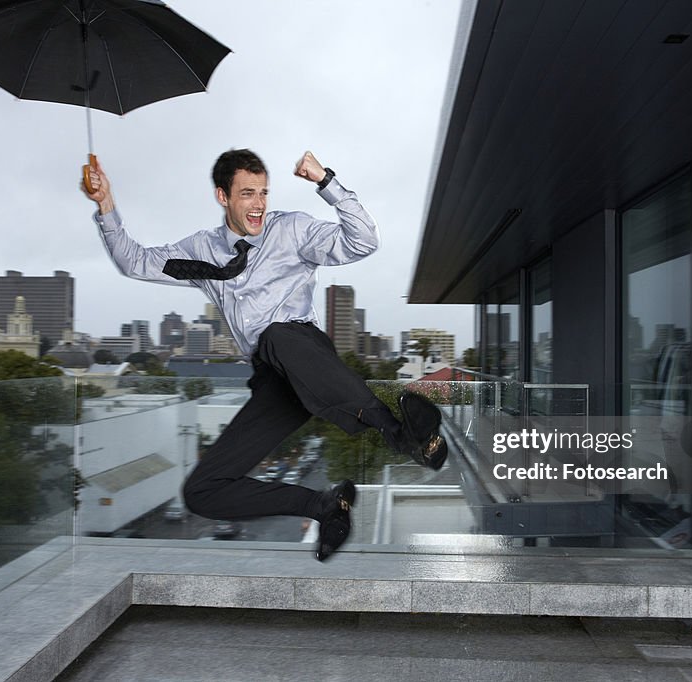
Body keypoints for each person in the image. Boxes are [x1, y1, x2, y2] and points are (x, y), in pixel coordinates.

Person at [81, 149, 447, 561]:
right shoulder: (202, 250)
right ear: (223, 196)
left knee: (276, 335)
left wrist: (326, 181)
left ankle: (403, 436)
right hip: (273, 380)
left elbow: (363, 241)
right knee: (201, 491)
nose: (258, 205)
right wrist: (105, 205)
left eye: (264, 193)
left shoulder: (291, 230)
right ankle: (324, 505)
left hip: (304, 351)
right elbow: (135, 262)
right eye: (247, 194)